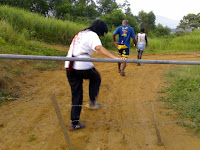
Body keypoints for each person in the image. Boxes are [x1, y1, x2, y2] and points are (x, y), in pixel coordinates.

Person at [65, 20, 126, 131]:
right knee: (96, 78)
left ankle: (74, 123)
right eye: (101, 33)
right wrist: (114, 57)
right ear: (99, 31)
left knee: (77, 94)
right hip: (81, 63)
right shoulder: (92, 34)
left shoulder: (81, 33)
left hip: (69, 64)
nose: (100, 35)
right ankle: (92, 102)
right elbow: (98, 47)